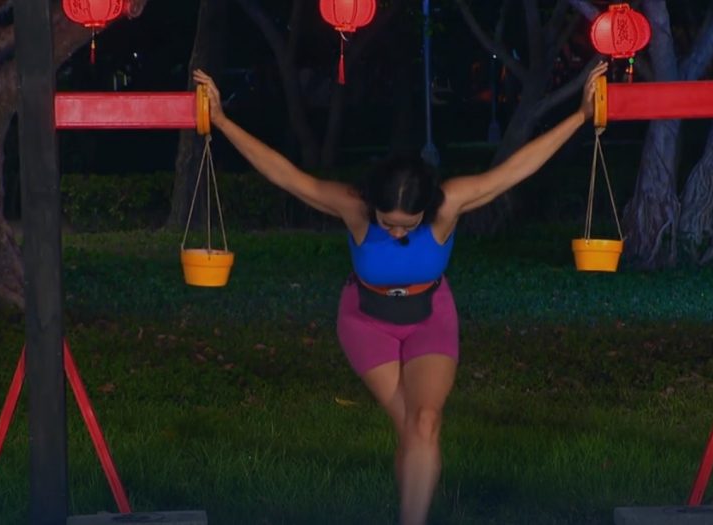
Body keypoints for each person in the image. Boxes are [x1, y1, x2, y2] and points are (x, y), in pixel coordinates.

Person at [192, 62, 607, 525]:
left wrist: (580, 115)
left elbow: (515, 170)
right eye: (387, 222)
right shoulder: (355, 208)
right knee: (411, 425)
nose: (394, 232)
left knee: (425, 422)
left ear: (426, 209)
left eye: (406, 226)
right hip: (365, 322)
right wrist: (222, 121)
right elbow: (285, 175)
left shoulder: (448, 206)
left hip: (431, 316)